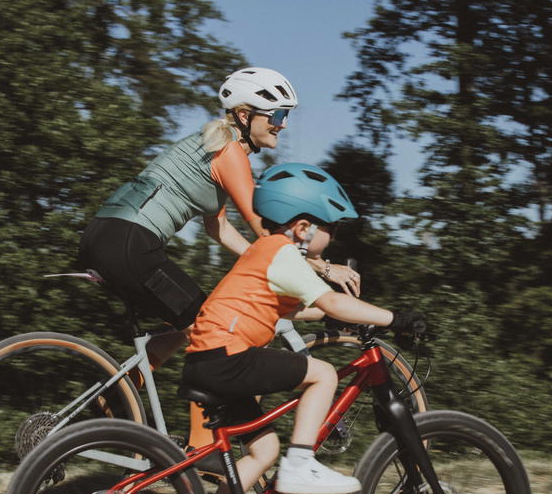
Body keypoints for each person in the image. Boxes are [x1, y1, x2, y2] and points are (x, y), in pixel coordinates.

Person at [78, 67, 359, 445]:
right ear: (245, 116)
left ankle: (110, 400)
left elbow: (220, 228)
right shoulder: (229, 153)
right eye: (277, 115)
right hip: (130, 241)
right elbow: (267, 230)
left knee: (191, 324)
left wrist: (261, 261)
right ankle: (203, 448)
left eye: (286, 115)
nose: (283, 124)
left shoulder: (214, 146)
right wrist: (322, 266)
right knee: (211, 336)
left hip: (111, 237)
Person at [181, 162, 427, 494]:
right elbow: (333, 301)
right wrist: (396, 318)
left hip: (209, 359)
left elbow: (293, 309)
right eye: (331, 228)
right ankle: (300, 463)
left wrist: (329, 316)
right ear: (302, 228)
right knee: (324, 374)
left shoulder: (266, 250)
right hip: (227, 356)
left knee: (264, 451)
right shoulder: (282, 253)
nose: (333, 237)